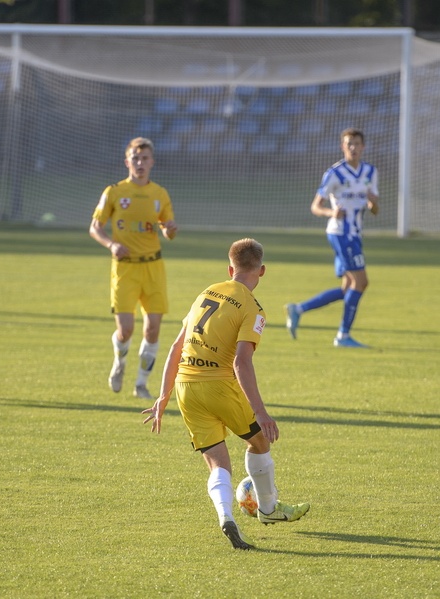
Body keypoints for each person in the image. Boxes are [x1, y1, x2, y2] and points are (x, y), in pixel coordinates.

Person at [142, 238, 310, 550]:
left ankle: (225, 516)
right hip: (218, 384)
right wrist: (261, 412)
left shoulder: (205, 292)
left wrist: (162, 398)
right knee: (258, 441)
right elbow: (241, 362)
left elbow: (176, 347)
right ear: (261, 271)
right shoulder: (253, 308)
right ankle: (269, 510)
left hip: (184, 387)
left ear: (229, 268)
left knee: (218, 464)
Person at [89, 137, 178, 401]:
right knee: (126, 329)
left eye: (145, 159)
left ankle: (141, 384)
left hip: (153, 268)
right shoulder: (114, 192)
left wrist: (170, 230)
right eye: (135, 159)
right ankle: (119, 361)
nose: (140, 163)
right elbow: (95, 227)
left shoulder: (159, 194)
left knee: (152, 329)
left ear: (152, 162)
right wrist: (110, 244)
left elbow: (167, 229)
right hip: (125, 269)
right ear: (127, 162)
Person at [285, 128, 379, 348]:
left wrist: (374, 203)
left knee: (348, 288)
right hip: (340, 233)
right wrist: (331, 212)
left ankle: (298, 309)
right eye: (349, 144)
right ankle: (343, 336)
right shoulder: (334, 173)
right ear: (342, 146)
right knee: (361, 282)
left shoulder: (370, 172)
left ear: (363, 146)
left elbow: (374, 210)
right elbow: (315, 207)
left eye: (357, 144)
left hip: (355, 233)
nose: (353, 148)